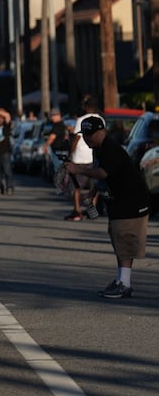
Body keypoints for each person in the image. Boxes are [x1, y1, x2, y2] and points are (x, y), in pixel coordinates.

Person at [64, 116, 150, 299]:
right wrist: (93, 191)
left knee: (124, 238)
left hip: (132, 200)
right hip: (120, 199)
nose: (87, 138)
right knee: (116, 236)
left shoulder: (110, 148)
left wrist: (78, 169)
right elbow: (104, 175)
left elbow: (103, 172)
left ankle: (125, 284)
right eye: (84, 135)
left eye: (90, 134)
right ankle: (121, 280)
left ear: (102, 131)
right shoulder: (99, 149)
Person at [65, 95, 104, 221]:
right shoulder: (100, 119)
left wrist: (70, 154)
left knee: (76, 186)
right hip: (93, 157)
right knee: (93, 187)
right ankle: (91, 211)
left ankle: (77, 211)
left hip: (80, 157)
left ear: (86, 108)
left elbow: (77, 138)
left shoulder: (81, 120)